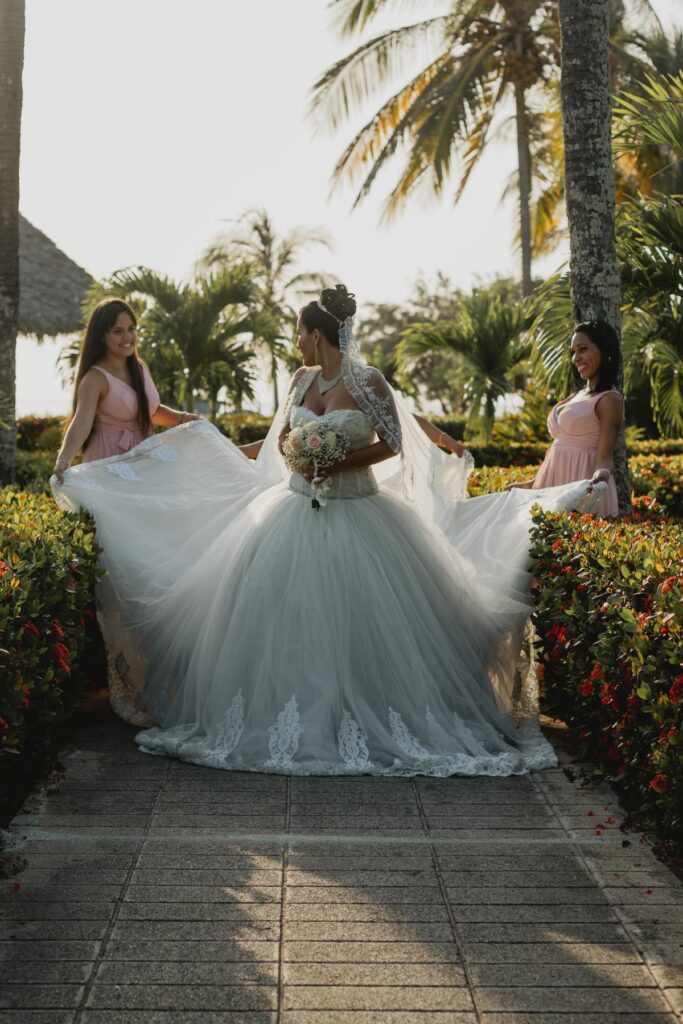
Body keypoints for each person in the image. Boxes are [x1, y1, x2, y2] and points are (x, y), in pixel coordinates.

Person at [53, 285, 601, 776]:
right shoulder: (300, 380)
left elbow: (393, 443)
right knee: (282, 621)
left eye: (298, 333)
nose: (294, 342)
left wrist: (338, 461)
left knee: (364, 623)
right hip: (293, 511)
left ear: (317, 335)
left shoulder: (368, 382)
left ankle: (375, 713)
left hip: (360, 511)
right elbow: (284, 438)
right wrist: (295, 454)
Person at [53, 298, 198, 483]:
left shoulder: (140, 368)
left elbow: (152, 412)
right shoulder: (95, 379)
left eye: (131, 329)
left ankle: (245, 452)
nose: (128, 337)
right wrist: (63, 459)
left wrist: (185, 419)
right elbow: (81, 422)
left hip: (145, 452)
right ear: (101, 336)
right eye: (118, 331)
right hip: (109, 458)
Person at [508, 321, 623, 516]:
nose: (575, 358)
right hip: (552, 486)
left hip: (579, 485)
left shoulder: (609, 399)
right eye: (573, 352)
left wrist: (599, 480)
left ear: (604, 350)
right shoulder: (577, 395)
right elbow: (557, 451)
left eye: (583, 349)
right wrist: (532, 484)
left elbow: (605, 458)